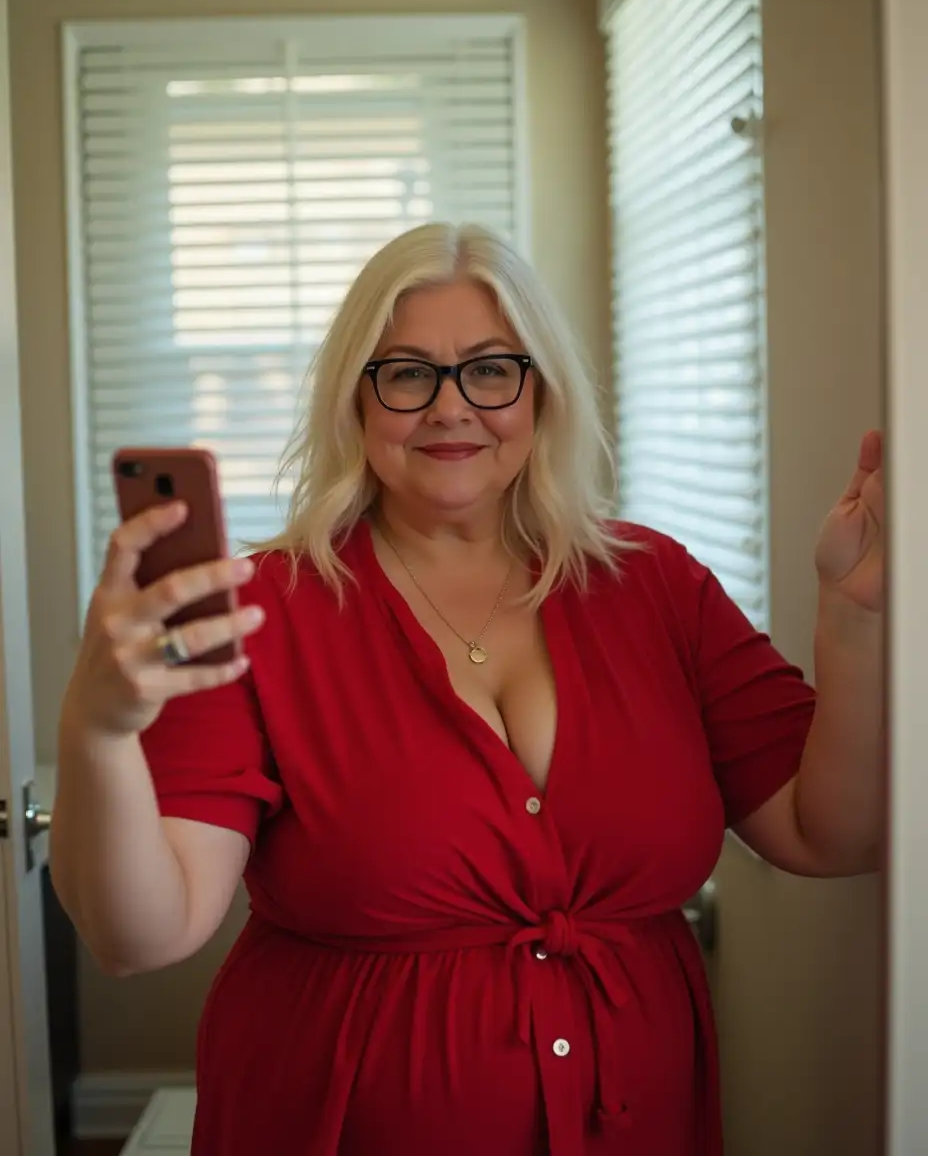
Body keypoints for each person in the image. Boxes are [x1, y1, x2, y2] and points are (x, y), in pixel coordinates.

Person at [51, 223, 884, 1156]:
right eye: (407, 373)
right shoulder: (262, 613)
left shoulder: (658, 584)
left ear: (542, 393)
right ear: (354, 402)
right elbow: (142, 934)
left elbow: (830, 832)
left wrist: (855, 618)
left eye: (491, 370)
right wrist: (100, 727)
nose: (452, 408)